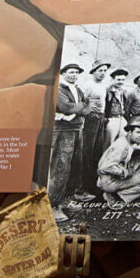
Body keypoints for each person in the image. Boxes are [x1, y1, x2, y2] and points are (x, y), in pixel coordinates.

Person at [50, 63, 93, 222]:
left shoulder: (78, 89)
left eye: (76, 72)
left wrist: (79, 108)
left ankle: (66, 200)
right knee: (60, 168)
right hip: (63, 131)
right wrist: (80, 107)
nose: (74, 75)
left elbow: (89, 107)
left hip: (77, 130)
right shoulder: (60, 89)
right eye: (71, 72)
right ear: (64, 73)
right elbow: (66, 107)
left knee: (75, 166)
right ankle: (53, 206)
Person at [97, 119, 140, 209]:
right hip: (109, 181)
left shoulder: (128, 142)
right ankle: (117, 196)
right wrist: (125, 172)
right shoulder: (121, 146)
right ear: (129, 132)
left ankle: (117, 192)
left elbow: (139, 149)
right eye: (137, 132)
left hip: (112, 178)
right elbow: (105, 167)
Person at [80, 60, 110, 198]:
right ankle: (84, 187)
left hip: (100, 118)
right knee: (87, 152)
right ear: (93, 72)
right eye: (100, 70)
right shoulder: (87, 84)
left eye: (104, 71)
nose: (103, 73)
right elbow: (81, 102)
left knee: (98, 151)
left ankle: (94, 185)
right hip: (90, 119)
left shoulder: (103, 85)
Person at [104, 68, 128, 144]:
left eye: (123, 80)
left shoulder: (123, 91)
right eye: (118, 79)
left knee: (122, 141)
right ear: (113, 79)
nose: (121, 82)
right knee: (109, 142)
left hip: (121, 118)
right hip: (111, 119)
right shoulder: (108, 91)